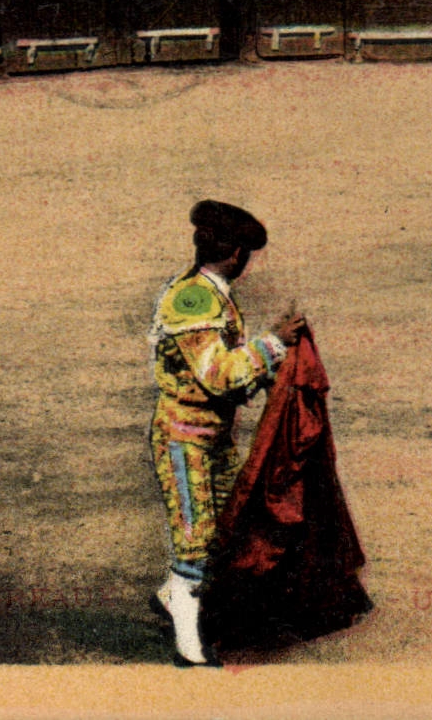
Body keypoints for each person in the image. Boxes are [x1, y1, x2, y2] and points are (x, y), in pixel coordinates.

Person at [148, 201, 307, 666]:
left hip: (209, 434)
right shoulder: (193, 299)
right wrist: (275, 343)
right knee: (195, 539)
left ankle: (171, 595)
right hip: (184, 437)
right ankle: (188, 644)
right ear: (236, 253)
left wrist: (271, 366)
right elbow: (218, 375)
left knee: (221, 529)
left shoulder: (209, 292)